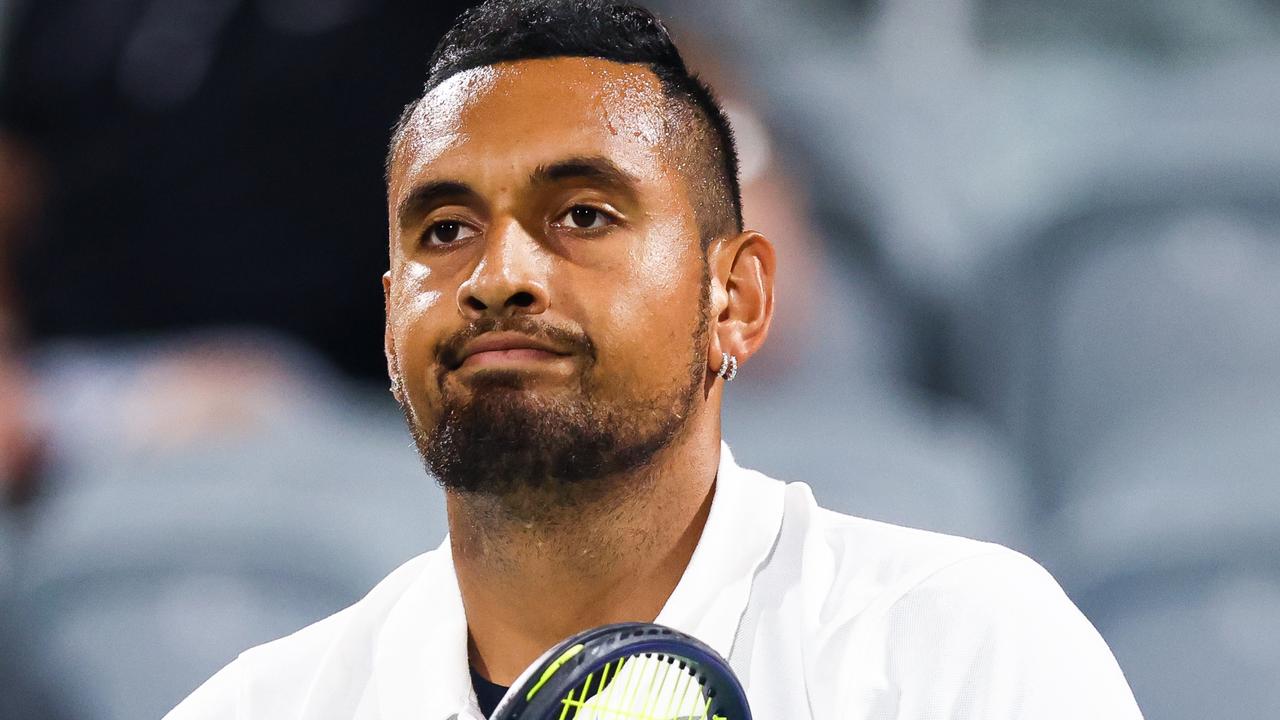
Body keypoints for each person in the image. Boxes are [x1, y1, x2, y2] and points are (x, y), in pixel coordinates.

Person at [166, 1, 1142, 718]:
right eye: (446, 229)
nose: (498, 275)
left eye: (583, 216)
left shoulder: (965, 649)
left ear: (736, 297)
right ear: (391, 320)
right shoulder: (251, 707)